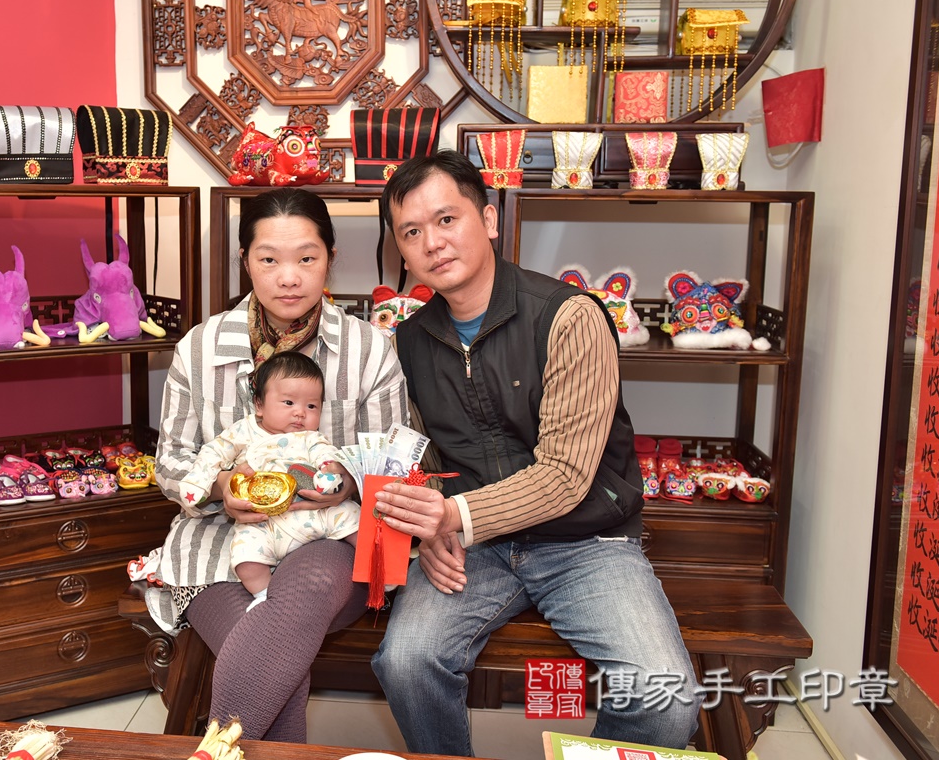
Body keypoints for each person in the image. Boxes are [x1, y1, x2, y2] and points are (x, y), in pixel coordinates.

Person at [369, 151, 700, 755]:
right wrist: (429, 529)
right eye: (411, 233)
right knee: (406, 661)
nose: (432, 243)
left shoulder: (569, 317)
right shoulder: (409, 341)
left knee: (664, 697)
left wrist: (453, 517)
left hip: (586, 540)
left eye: (447, 219)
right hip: (476, 548)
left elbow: (566, 475)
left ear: (489, 220)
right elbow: (421, 459)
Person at [148, 187, 408, 742]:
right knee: (271, 653)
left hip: (329, 536)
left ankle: (215, 752)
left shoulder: (368, 349)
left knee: (293, 608)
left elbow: (392, 463)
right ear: (245, 260)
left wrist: (345, 484)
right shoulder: (200, 348)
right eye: (269, 260)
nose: (289, 278)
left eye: (306, 258)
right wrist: (223, 486)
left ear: (330, 258)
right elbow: (170, 463)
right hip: (220, 543)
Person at [179, 351, 359, 611]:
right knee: (245, 558)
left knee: (356, 518)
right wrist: (199, 481)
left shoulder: (311, 437)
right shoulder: (244, 431)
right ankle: (264, 596)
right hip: (262, 520)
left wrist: (329, 474)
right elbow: (214, 453)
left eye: (311, 406)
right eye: (289, 402)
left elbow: (327, 456)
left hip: (313, 510)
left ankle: (378, 568)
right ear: (260, 405)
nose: (300, 413)